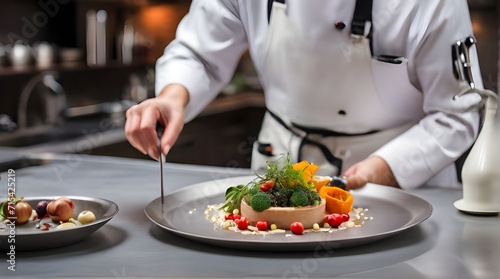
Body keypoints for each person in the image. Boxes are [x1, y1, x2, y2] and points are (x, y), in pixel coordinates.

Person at [125, 0, 483, 190]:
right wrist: (173, 96)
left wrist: (384, 172)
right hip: (278, 168)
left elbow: (457, 113)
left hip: (400, 181)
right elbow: (199, 53)